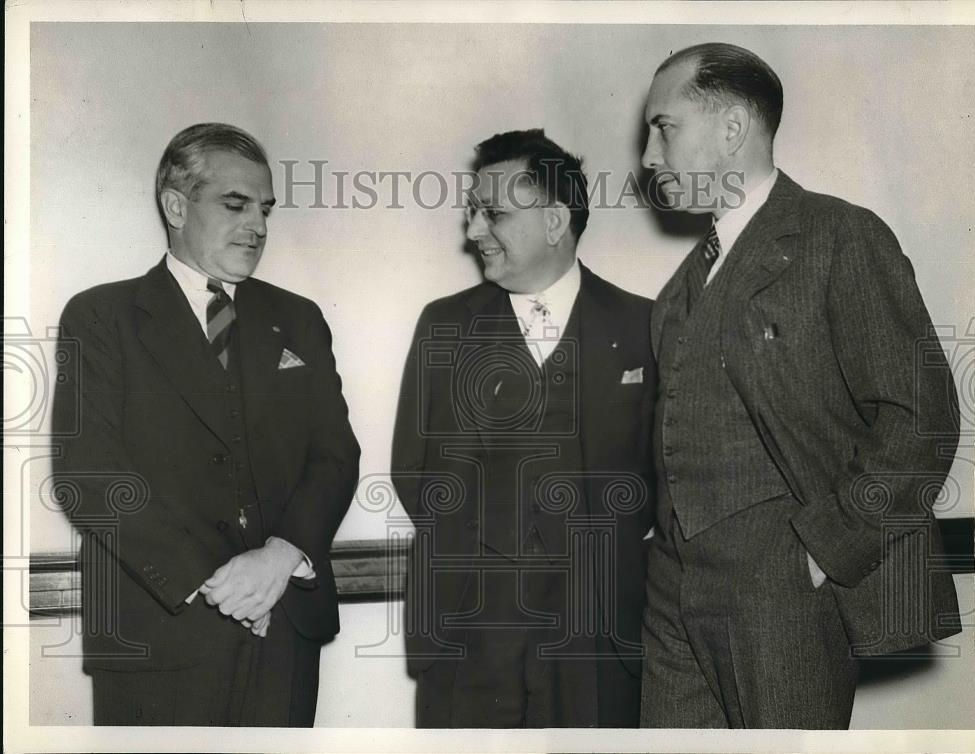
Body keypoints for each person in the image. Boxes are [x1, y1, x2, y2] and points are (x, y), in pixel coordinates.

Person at [638, 43, 962, 729]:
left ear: (731, 130)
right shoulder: (677, 291)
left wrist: (826, 550)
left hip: (781, 587)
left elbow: (920, 420)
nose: (648, 156)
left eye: (663, 128)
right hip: (672, 592)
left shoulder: (838, 237)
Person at [51, 123, 360, 726]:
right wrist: (219, 586)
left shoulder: (298, 318)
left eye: (265, 210)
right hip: (159, 637)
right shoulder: (101, 316)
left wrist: (279, 558)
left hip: (285, 634)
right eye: (236, 204)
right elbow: (88, 477)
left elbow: (335, 456)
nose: (259, 227)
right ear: (175, 205)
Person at [391, 129, 655, 727]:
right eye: (473, 214)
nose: (474, 231)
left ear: (556, 220)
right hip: (469, 631)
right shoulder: (444, 326)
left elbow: (663, 475)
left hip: (602, 635)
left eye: (495, 214)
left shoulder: (644, 324)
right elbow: (415, 470)